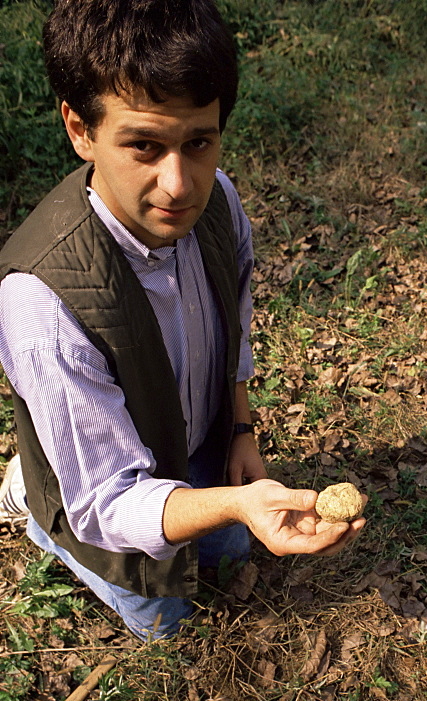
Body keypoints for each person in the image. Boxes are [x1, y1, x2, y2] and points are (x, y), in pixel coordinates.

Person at [0, 0, 364, 641]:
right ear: (80, 129)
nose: (179, 185)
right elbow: (110, 506)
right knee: (167, 621)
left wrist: (242, 431)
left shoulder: (219, 201)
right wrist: (238, 503)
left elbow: (236, 322)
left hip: (192, 451)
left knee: (228, 556)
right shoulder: (42, 300)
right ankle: (37, 504)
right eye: (143, 145)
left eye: (199, 142)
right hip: (107, 495)